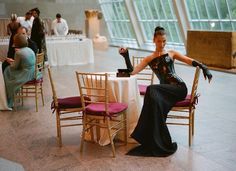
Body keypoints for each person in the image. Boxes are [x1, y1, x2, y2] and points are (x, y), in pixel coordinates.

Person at [119, 26, 212, 157]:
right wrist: (126, 56)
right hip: (165, 92)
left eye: (164, 41)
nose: (162, 44)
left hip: (179, 88)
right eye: (159, 41)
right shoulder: (149, 59)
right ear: (154, 40)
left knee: (151, 89)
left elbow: (188, 60)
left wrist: (204, 67)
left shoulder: (171, 53)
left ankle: (146, 134)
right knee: (154, 100)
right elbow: (132, 72)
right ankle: (154, 138)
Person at [3, 33, 39, 108]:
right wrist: (14, 61)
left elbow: (15, 67)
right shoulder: (29, 49)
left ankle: (9, 98)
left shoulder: (18, 52)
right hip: (35, 72)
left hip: (26, 74)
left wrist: (10, 61)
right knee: (9, 71)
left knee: (7, 71)